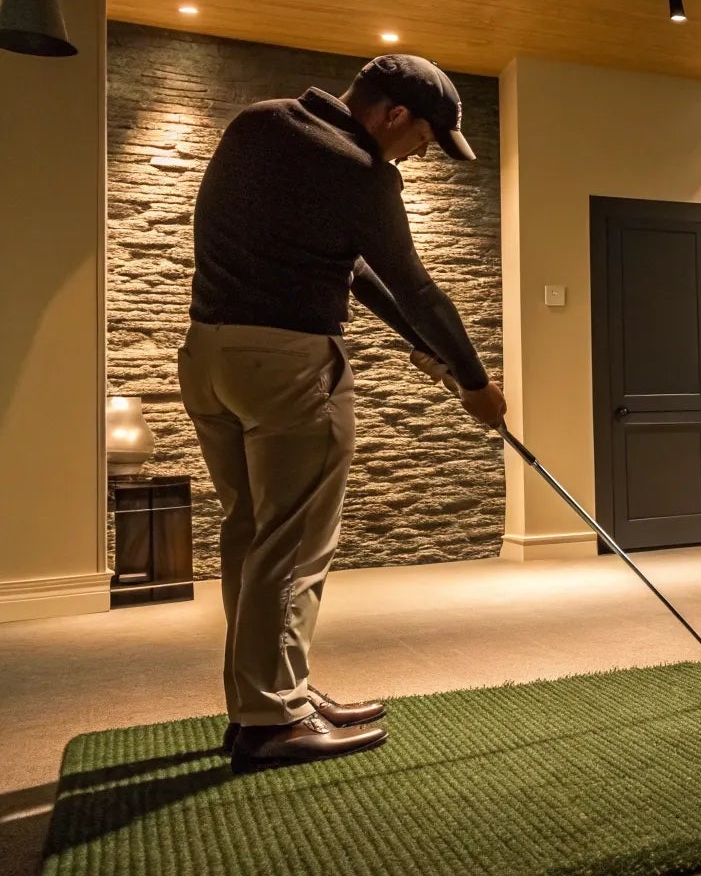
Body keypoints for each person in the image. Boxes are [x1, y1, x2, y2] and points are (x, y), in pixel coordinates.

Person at [179, 54, 507, 768]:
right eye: (425, 138)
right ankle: (272, 719)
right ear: (394, 116)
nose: (419, 155)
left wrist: (430, 353)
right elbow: (415, 286)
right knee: (293, 545)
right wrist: (477, 383)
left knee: (253, 534)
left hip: (208, 358)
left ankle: (270, 696)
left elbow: (352, 270)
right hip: (289, 369)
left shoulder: (260, 123)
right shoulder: (363, 172)